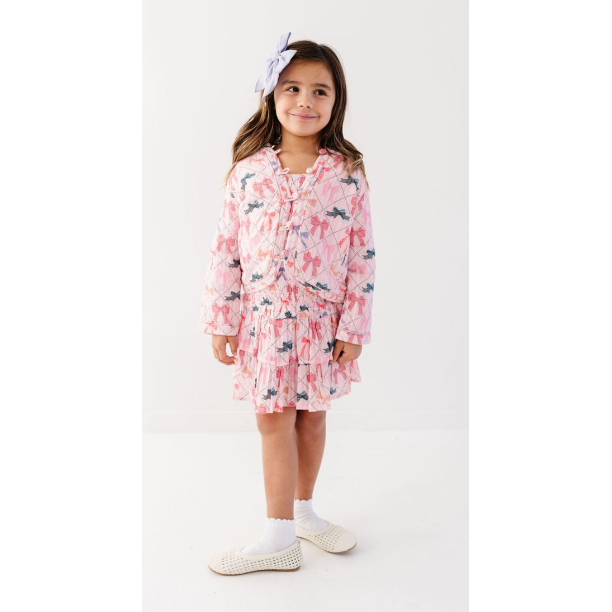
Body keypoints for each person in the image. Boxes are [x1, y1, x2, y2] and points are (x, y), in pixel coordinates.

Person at [197, 32, 376, 576]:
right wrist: (222, 320)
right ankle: (278, 536)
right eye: (292, 88)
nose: (305, 101)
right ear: (272, 95)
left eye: (320, 91)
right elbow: (226, 249)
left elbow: (362, 254)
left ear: (336, 101)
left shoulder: (346, 172)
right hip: (265, 323)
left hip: (322, 324)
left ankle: (303, 514)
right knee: (274, 421)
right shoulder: (249, 171)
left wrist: (354, 328)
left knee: (312, 422)